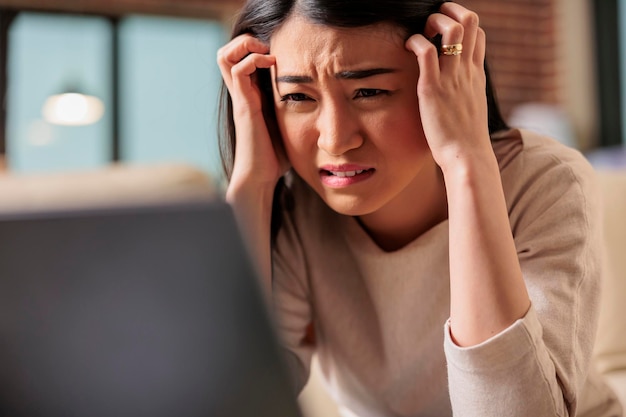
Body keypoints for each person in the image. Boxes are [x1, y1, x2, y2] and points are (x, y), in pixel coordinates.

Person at [216, 0, 623, 415]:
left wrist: (466, 161)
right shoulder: (296, 211)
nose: (335, 140)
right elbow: (226, 401)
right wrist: (252, 181)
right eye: (299, 96)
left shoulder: (544, 182)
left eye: (369, 91)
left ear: (447, 79)